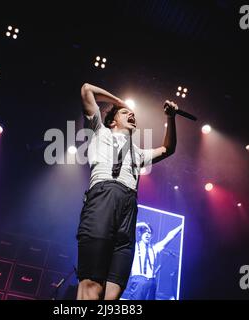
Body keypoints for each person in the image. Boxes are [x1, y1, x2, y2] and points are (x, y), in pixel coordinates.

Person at [76, 83, 179, 300]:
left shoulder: (138, 153)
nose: (132, 116)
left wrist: (170, 118)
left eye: (133, 114)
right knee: (92, 285)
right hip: (103, 198)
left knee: (114, 292)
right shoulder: (99, 131)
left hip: (129, 208)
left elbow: (168, 149)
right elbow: (87, 89)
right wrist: (120, 103)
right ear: (113, 121)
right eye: (126, 113)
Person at [121, 221, 183, 300]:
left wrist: (182, 226)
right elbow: (126, 231)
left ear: (152, 236)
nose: (147, 234)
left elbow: (170, 236)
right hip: (138, 281)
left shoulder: (155, 248)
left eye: (149, 233)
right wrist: (141, 224)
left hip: (151, 282)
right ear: (140, 234)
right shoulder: (135, 246)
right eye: (145, 232)